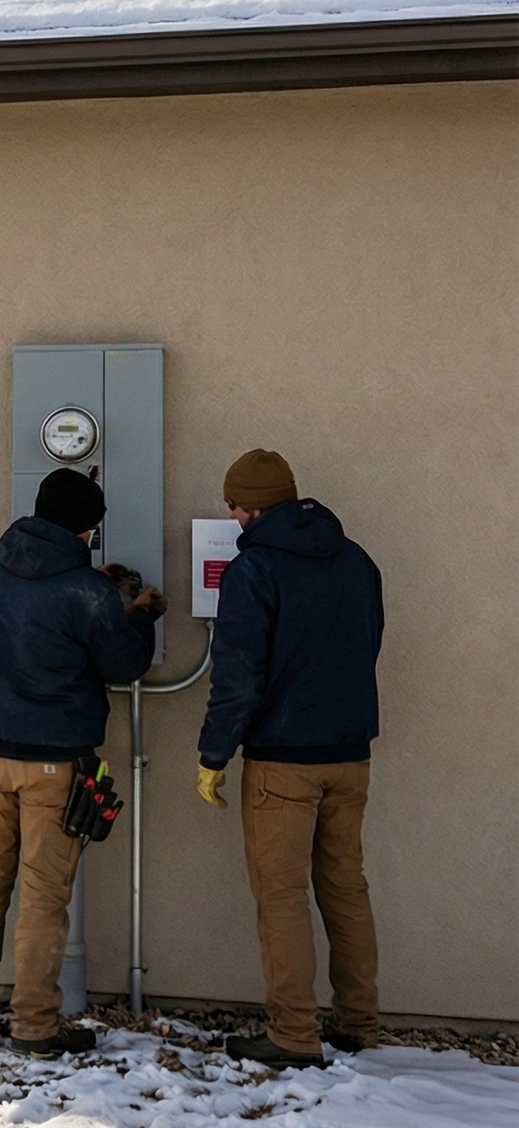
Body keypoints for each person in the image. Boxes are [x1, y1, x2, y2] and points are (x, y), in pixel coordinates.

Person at [0, 468, 165, 1057]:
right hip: (53, 764)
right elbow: (122, 663)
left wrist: (90, 586)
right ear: (88, 531)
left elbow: (5, 614)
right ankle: (35, 1026)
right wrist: (140, 614)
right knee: (44, 895)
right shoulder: (88, 592)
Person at [196, 449, 384, 1069]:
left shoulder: (253, 570)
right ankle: (358, 1023)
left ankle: (294, 1034)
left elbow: (237, 676)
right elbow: (369, 643)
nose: (231, 516)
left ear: (250, 507)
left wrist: (214, 754)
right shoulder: (357, 560)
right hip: (350, 755)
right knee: (345, 887)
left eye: (233, 506)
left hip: (282, 761)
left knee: (281, 895)